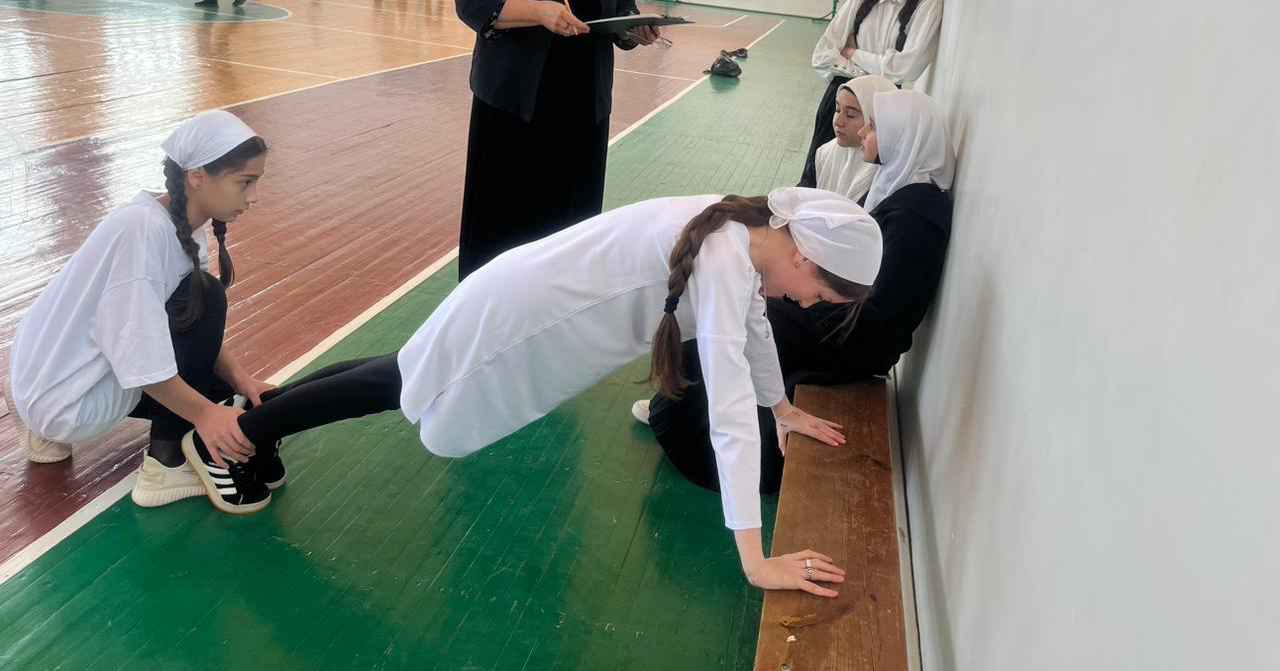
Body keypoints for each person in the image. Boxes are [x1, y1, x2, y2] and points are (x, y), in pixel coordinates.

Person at [173, 187, 882, 599]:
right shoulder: (728, 260)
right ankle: (235, 438)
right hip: (521, 320)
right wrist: (755, 559)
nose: (809, 304)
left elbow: (753, 331)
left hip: (521, 295)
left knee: (402, 369)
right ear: (804, 254)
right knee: (402, 381)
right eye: (820, 292)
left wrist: (781, 408)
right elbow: (727, 412)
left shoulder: (745, 228)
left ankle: (256, 418)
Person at [640, 91, 955, 492]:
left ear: (906, 137)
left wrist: (807, 306)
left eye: (873, 126)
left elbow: (881, 310)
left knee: (759, 318)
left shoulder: (916, 216)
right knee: (756, 312)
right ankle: (678, 407)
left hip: (860, 337)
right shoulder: (903, 188)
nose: (863, 132)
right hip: (847, 322)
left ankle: (694, 431)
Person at [3, 111, 276, 511]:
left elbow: (190, 329)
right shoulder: (143, 231)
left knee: (224, 393)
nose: (253, 197)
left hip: (46, 373)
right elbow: (140, 355)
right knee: (208, 305)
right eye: (245, 182)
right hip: (73, 404)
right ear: (198, 176)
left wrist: (242, 380)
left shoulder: (173, 222)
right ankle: (166, 465)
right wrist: (204, 416)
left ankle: (31, 405)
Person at [452, 0, 661, 280]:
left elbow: (621, 7)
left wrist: (634, 28)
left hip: (583, 110)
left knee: (568, 227)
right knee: (503, 223)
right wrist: (540, 12)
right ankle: (491, 306)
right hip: (515, 106)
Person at [800, 0, 943, 185]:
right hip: (842, 98)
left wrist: (853, 53)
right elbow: (822, 55)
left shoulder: (928, 6)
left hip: (883, 110)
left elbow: (903, 69)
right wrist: (872, 71)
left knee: (865, 182)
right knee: (817, 174)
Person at [804, 74, 897, 203]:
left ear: (878, 120)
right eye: (837, 110)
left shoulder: (888, 174)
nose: (838, 121)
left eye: (851, 115)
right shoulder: (826, 153)